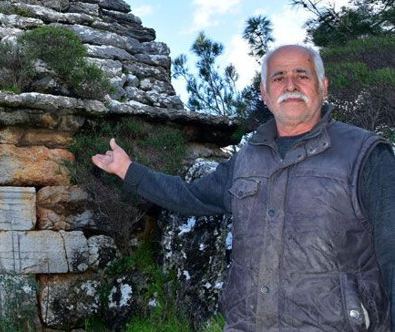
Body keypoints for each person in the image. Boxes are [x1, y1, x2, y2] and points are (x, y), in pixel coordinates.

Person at [92, 44, 393, 331]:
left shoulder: (366, 155)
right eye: (278, 77)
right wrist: (128, 170)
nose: (290, 85)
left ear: (323, 86)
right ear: (264, 93)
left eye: (302, 75)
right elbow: (190, 195)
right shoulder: (246, 159)